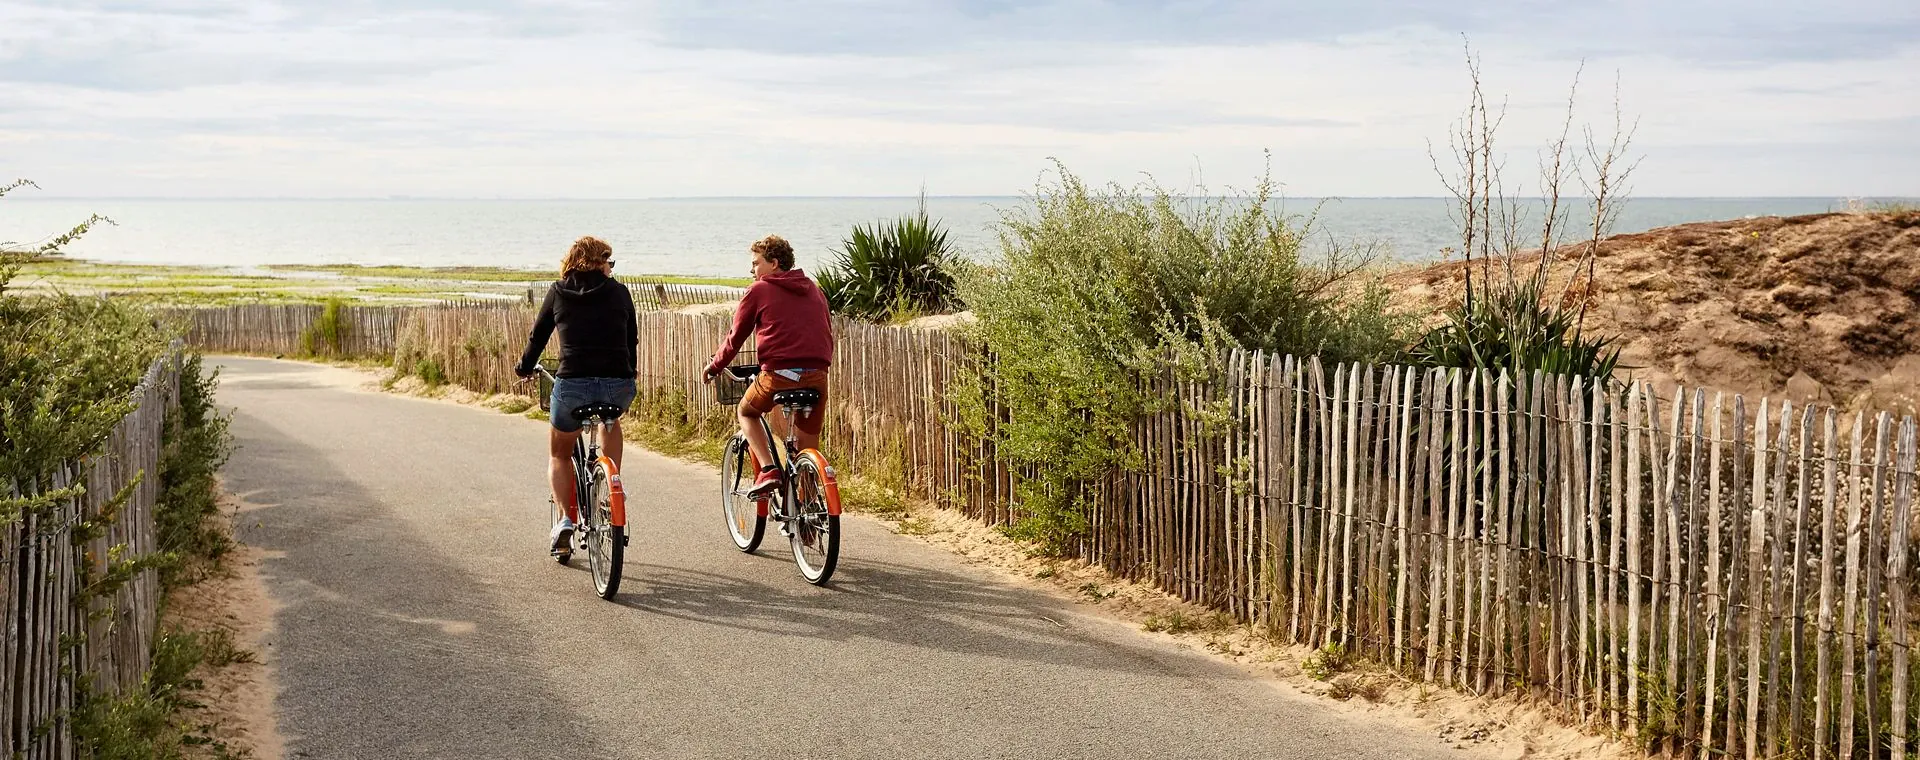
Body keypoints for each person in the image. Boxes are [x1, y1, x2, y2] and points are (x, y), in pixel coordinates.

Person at [515, 236, 638, 556]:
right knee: (610, 421)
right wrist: (628, 373)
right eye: (608, 262)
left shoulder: (558, 291)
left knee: (559, 453)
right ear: (599, 262)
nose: (611, 268)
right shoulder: (620, 292)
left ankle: (566, 519)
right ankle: (612, 490)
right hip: (618, 386)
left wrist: (524, 367)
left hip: (572, 385)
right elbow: (631, 340)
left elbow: (538, 336)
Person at [703, 234, 834, 498]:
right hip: (817, 377)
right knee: (807, 448)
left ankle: (769, 469)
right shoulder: (814, 289)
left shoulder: (759, 290)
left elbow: (735, 337)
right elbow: (826, 331)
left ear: (774, 263)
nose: (752, 270)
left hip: (778, 376)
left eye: (756, 263)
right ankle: (807, 521)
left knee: (746, 412)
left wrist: (715, 366)